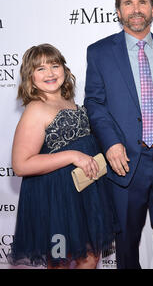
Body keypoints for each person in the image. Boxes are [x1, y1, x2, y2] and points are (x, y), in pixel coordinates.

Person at [84, 0, 153, 269]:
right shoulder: (99, 52)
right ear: (118, 11)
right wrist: (112, 143)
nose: (136, 9)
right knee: (126, 240)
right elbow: (94, 103)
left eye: (142, 2)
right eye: (128, 3)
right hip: (126, 158)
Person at [8, 44, 118, 269]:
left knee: (90, 257)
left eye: (54, 65)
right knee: (59, 261)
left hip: (85, 195)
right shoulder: (35, 110)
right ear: (30, 77)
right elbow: (21, 165)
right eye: (40, 69)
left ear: (65, 70)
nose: (49, 73)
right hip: (56, 200)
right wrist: (72, 155)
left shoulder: (71, 103)